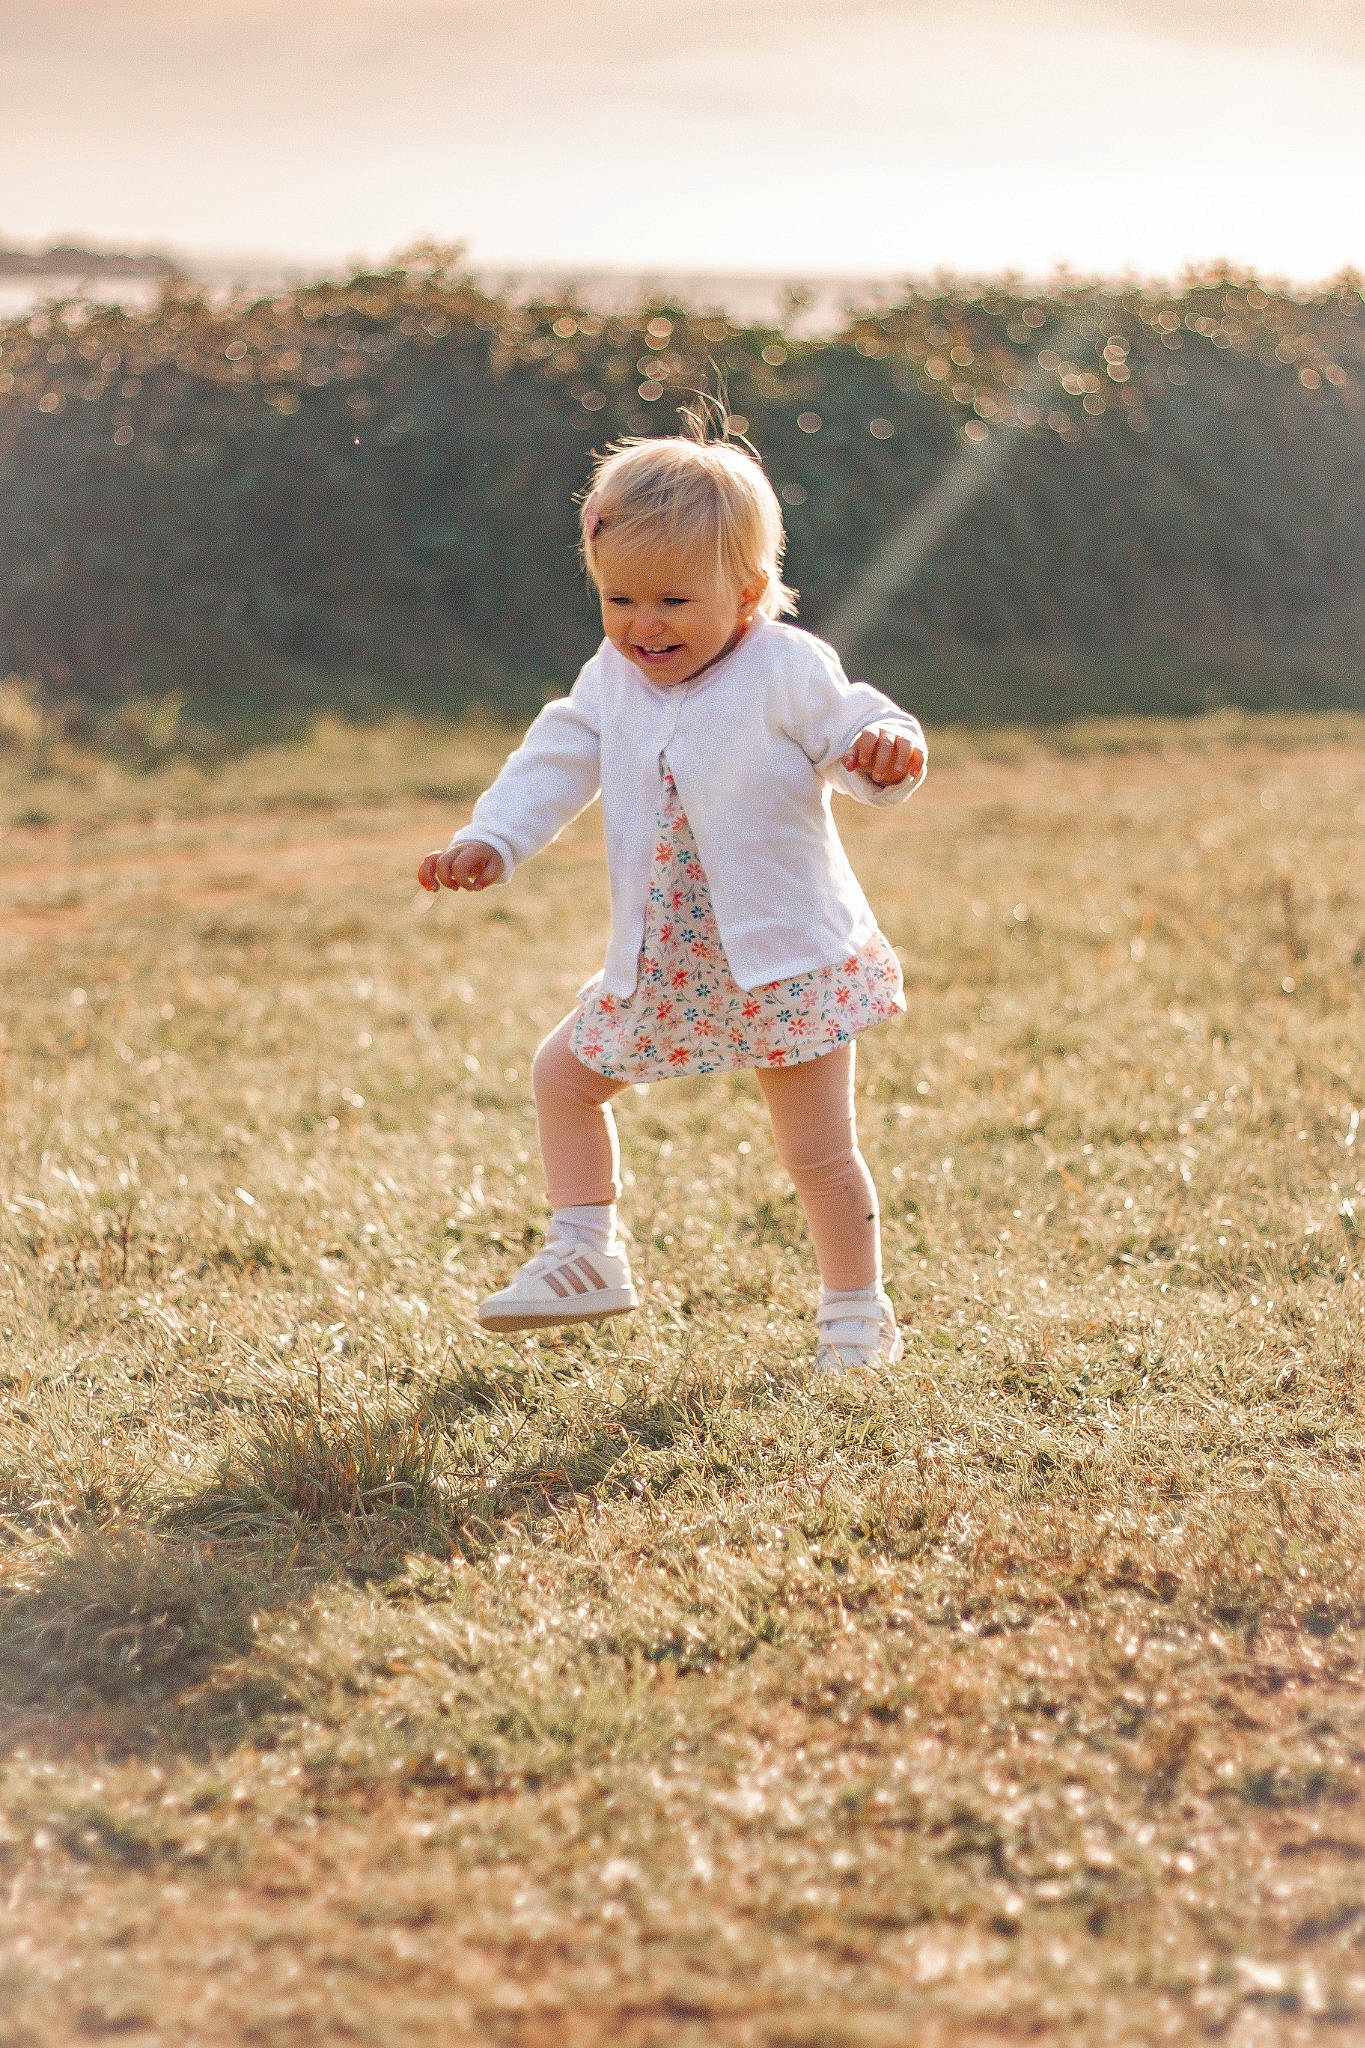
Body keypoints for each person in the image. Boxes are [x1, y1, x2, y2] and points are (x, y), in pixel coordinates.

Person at [418, 416, 926, 1373]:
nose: (642, 625)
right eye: (619, 598)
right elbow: (555, 755)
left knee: (815, 1153)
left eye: (671, 600)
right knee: (564, 1076)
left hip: (782, 960)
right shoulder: (612, 677)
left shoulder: (784, 667)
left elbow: (858, 722)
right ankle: (584, 1252)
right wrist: (491, 837)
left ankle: (858, 1314)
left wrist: (888, 750)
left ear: (746, 594)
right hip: (666, 964)